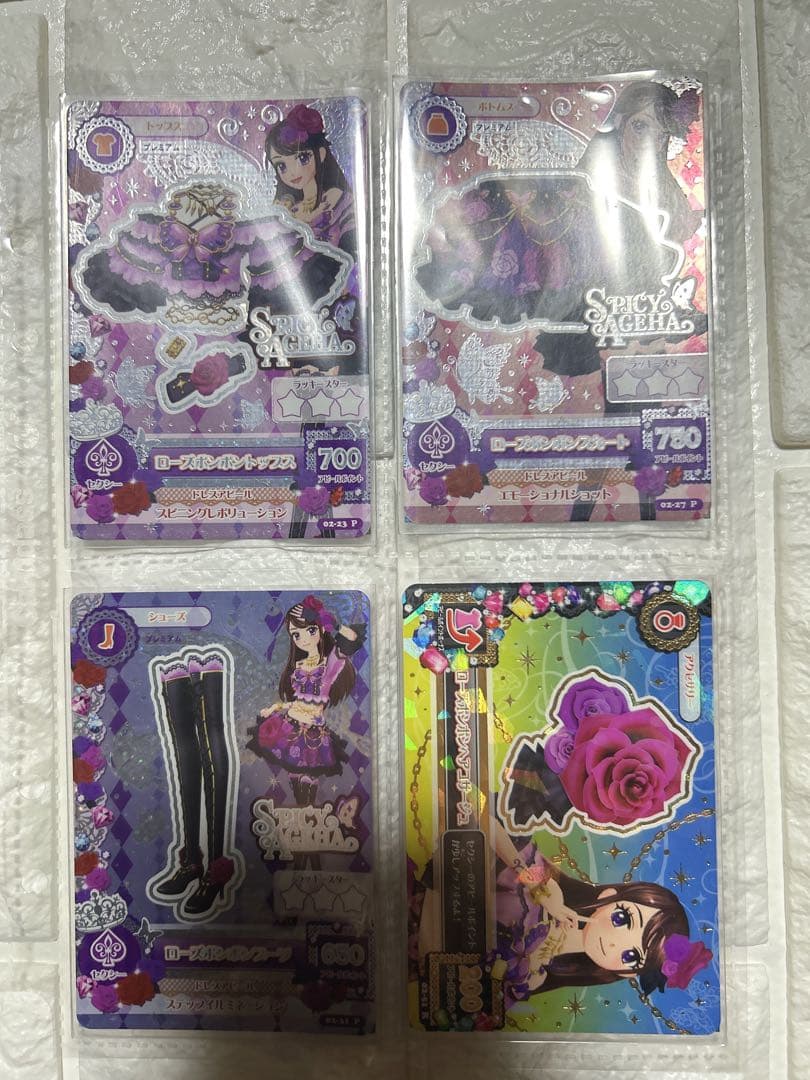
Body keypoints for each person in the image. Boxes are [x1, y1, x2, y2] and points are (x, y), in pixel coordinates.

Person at [247, 596, 365, 808]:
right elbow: (298, 701)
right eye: (296, 634)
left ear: (320, 629)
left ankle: (309, 815)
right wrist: (275, 707)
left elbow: (352, 638)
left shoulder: (330, 664)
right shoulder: (299, 665)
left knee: (309, 778)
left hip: (314, 732)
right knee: (294, 776)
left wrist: (331, 621)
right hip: (290, 725)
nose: (303, 639)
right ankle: (300, 817)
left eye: (310, 630)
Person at [265, 104, 356, 255]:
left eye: (302, 158)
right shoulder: (286, 210)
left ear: (321, 154)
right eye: (281, 165)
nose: (293, 172)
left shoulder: (340, 202)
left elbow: (353, 246)